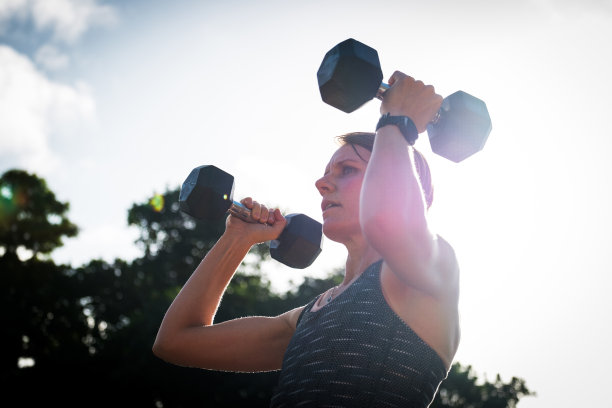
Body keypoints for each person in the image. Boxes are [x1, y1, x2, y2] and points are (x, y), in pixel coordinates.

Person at [152, 71, 461, 408]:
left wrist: (399, 121)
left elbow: (387, 222)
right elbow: (175, 341)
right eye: (327, 174)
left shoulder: (432, 271)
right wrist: (236, 240)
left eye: (347, 171)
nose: (322, 184)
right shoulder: (307, 318)